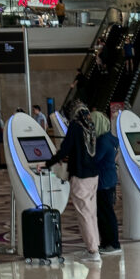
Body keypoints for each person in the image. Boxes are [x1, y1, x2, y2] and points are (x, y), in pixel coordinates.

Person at [43, 100, 100, 263]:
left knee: (84, 215)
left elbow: (66, 147)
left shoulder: (76, 126)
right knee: (91, 213)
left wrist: (48, 163)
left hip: (81, 176)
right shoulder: (89, 124)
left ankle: (93, 251)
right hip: (93, 175)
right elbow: (82, 149)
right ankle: (95, 245)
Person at [91, 112, 121, 256]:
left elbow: (95, 159)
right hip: (110, 179)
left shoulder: (102, 141)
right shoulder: (111, 138)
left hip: (103, 181)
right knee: (107, 213)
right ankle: (108, 242)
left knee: (105, 214)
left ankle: (112, 243)